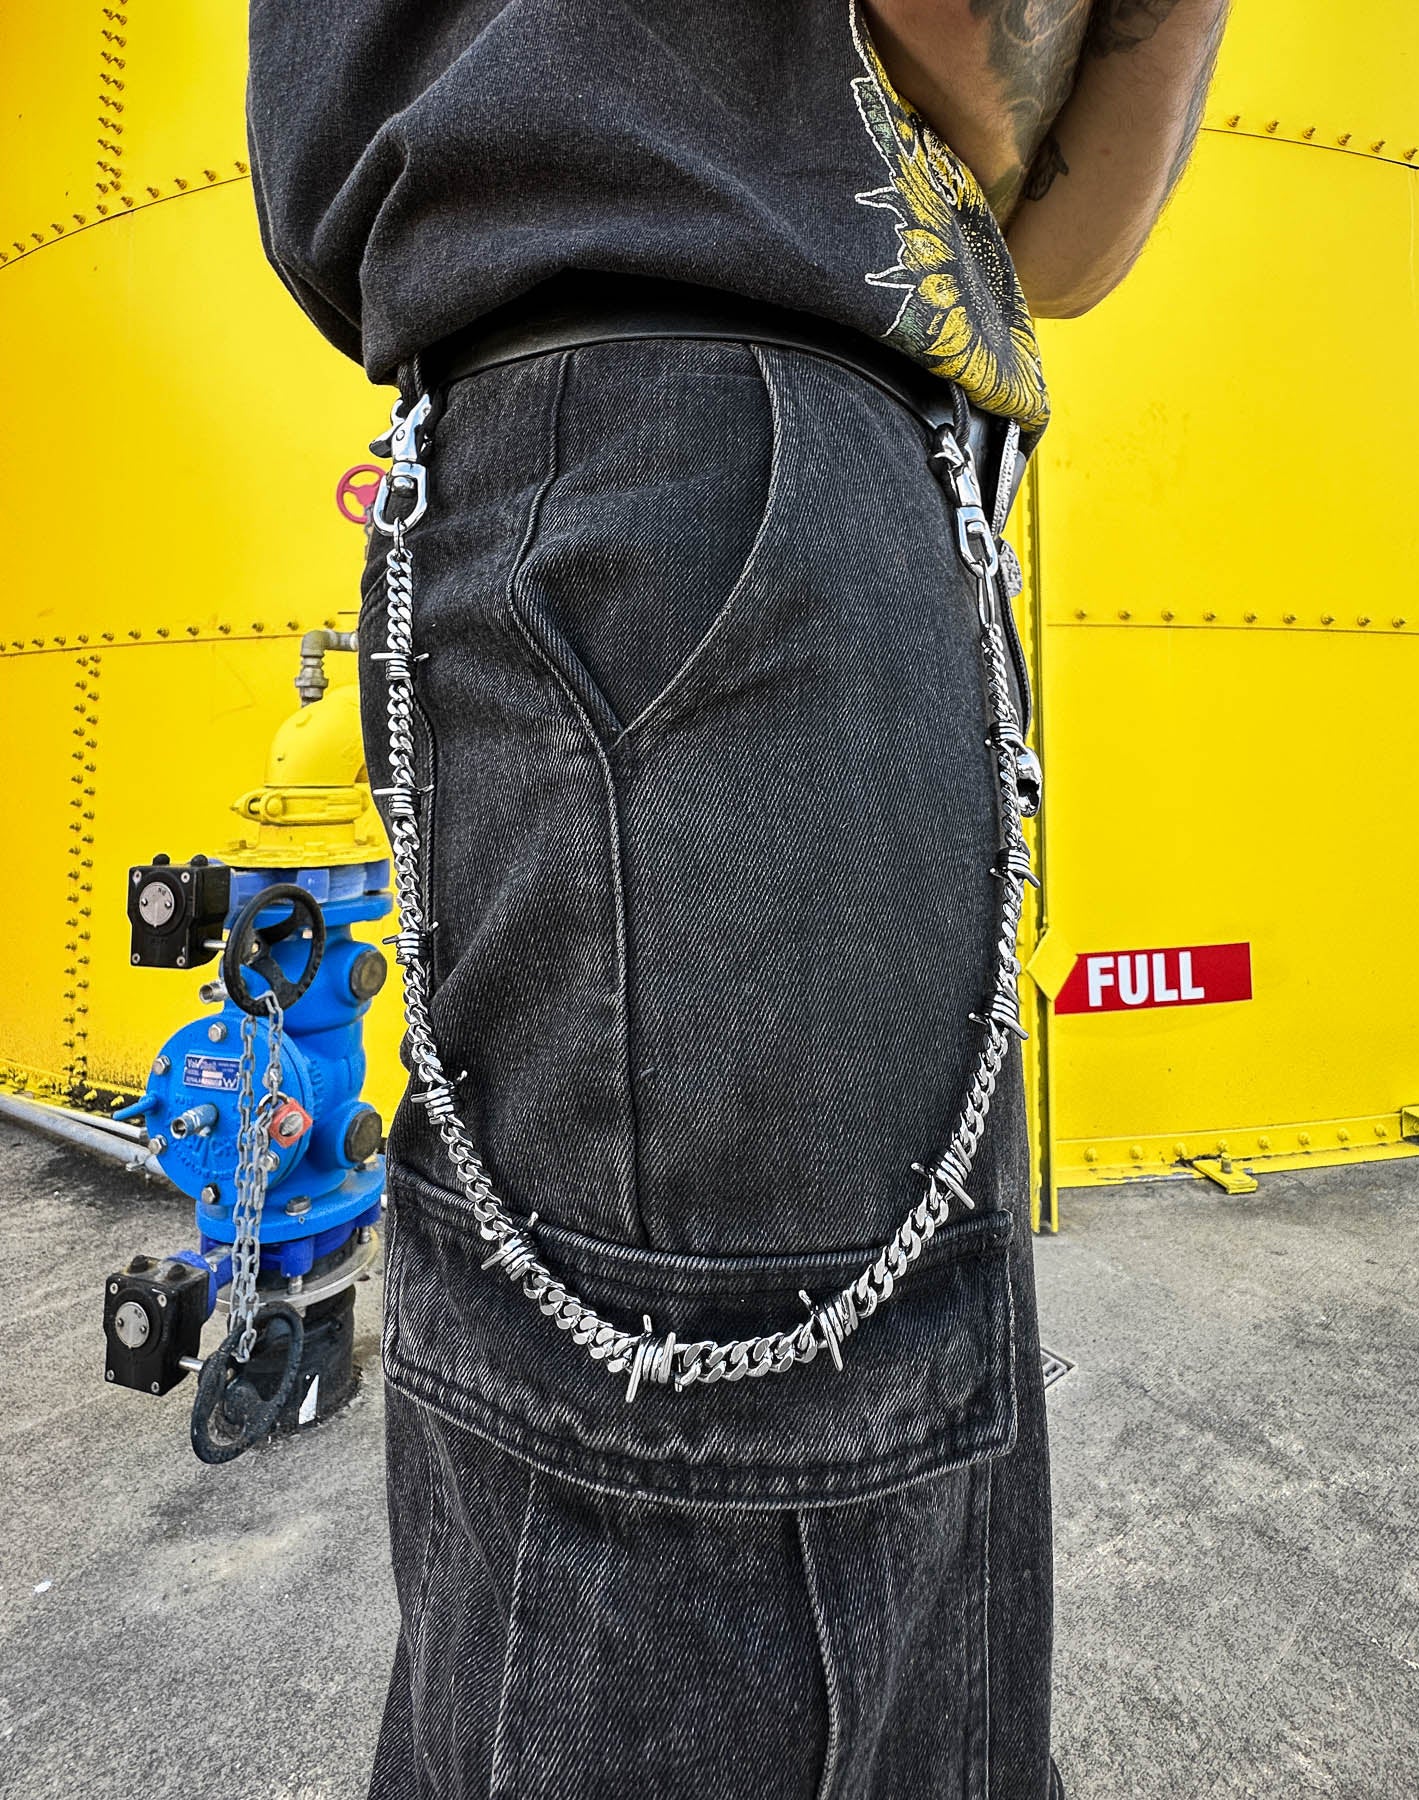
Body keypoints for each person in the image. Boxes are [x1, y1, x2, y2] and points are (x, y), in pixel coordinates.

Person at [245, 3, 1229, 1795]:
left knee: (693, 1517)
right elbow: (1015, 155)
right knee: (752, 1553)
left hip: (603, 454)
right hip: (739, 485)